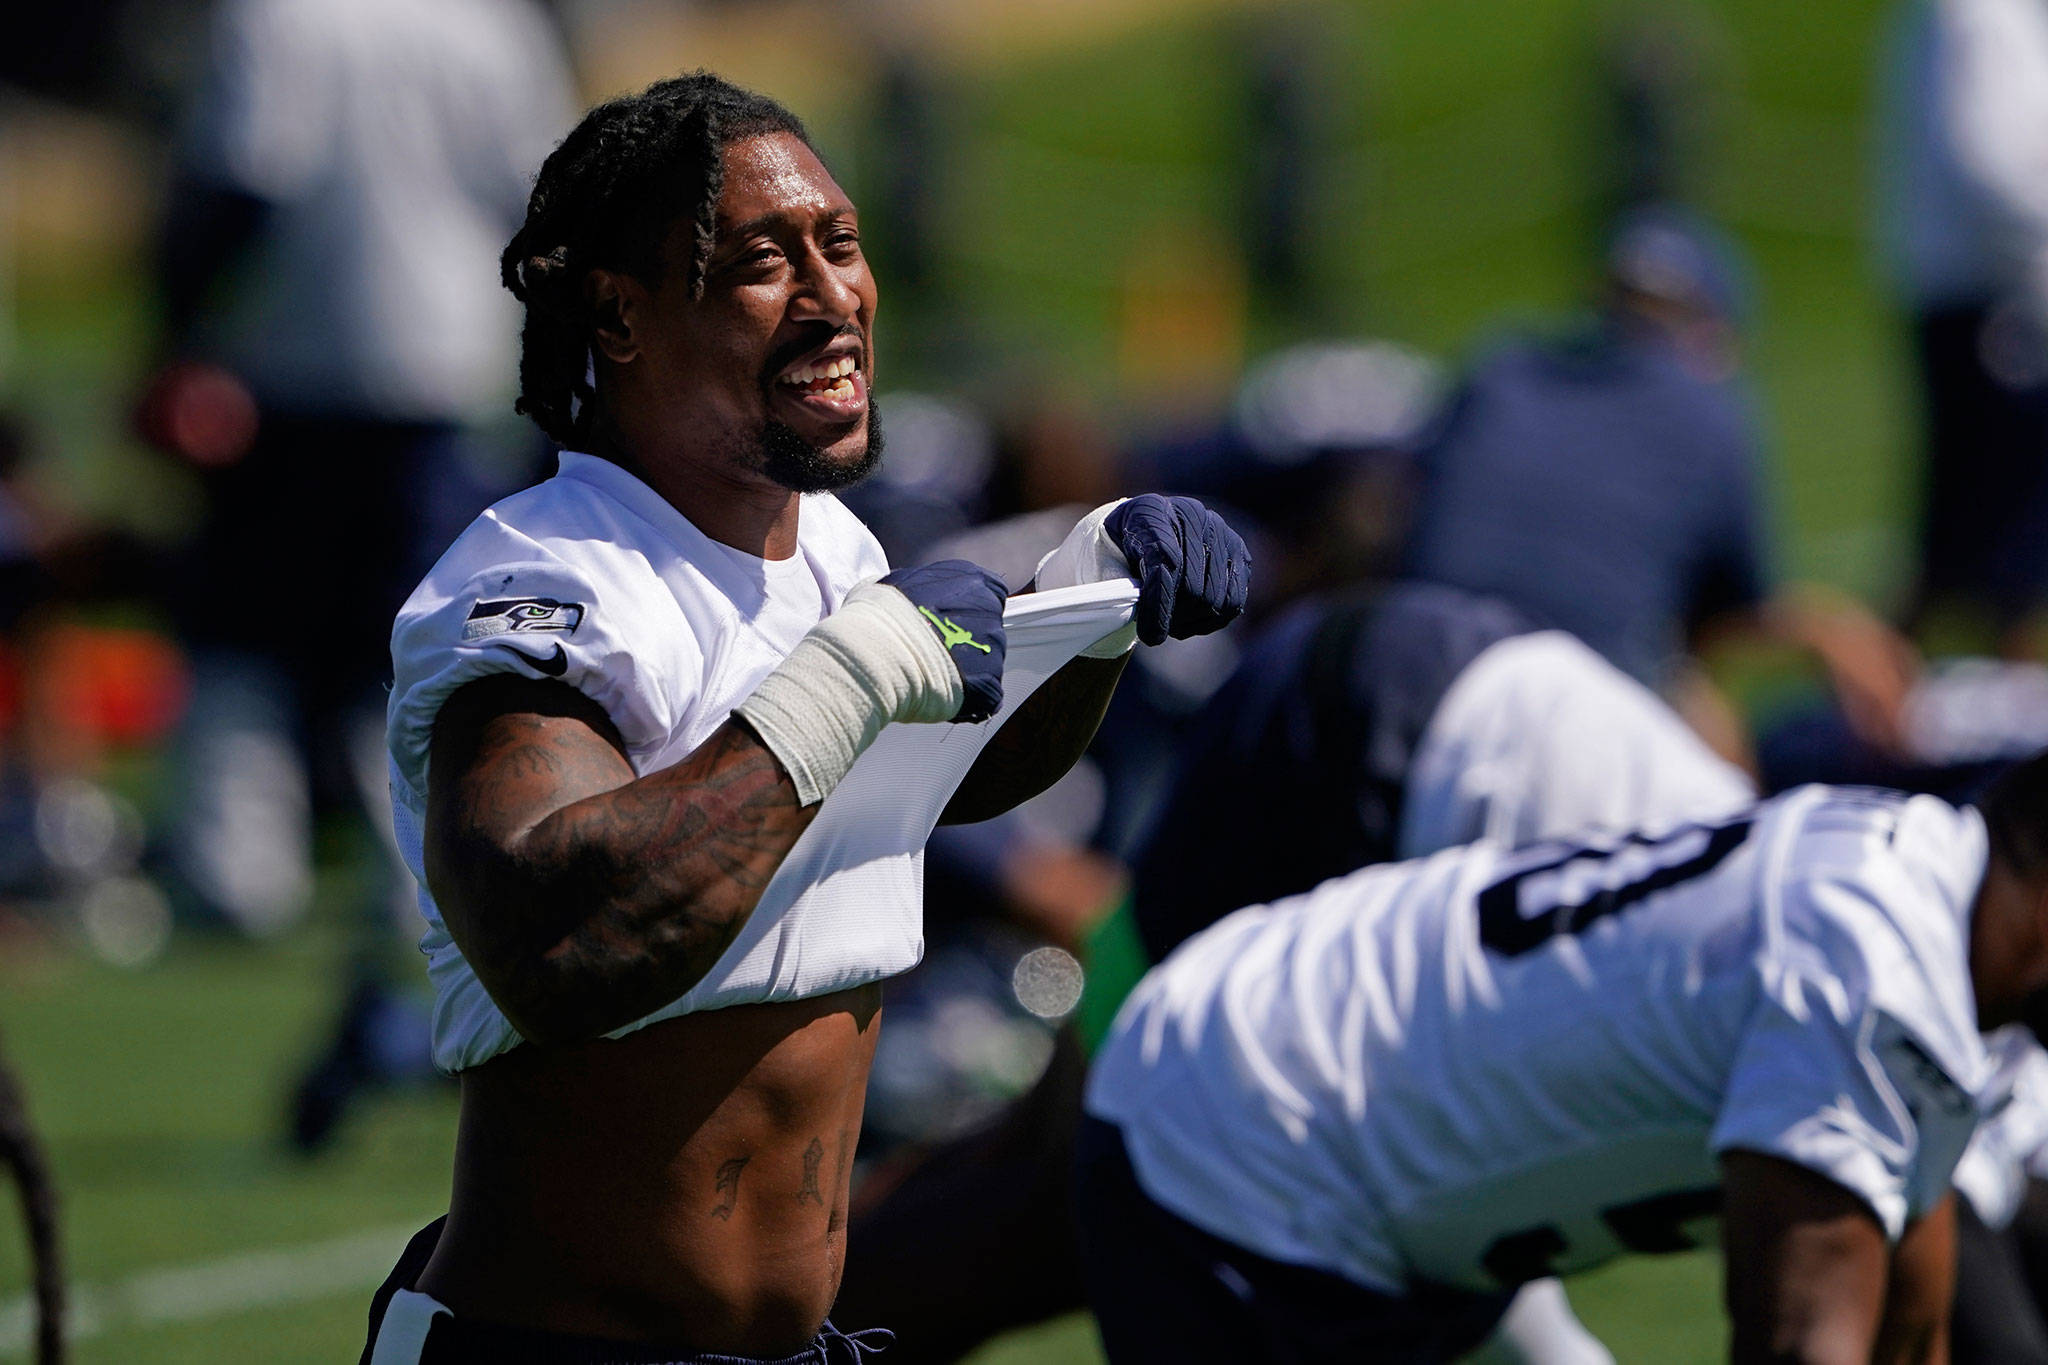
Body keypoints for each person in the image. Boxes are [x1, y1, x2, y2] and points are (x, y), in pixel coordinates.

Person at [359, 72, 1247, 1364]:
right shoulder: (542, 584)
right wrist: (852, 674)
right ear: (619, 313)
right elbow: (554, 940)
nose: (834, 297)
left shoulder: (824, 549)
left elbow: (917, 781)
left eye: (841, 242)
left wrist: (1087, 603)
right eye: (763, 263)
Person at [835, 580, 1752, 1363]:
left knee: (1108, 1188)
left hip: (1440, 699)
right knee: (1087, 1186)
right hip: (1353, 749)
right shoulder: (1826, 1047)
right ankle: (771, 1326)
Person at [1075, 748, 2048, 1362]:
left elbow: (1908, 1309)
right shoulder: (1884, 973)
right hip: (1255, 1141)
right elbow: (1804, 1343)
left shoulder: (1913, 879)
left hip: (1318, 1097)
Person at [1401, 206, 1916, 763]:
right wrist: (1827, 630)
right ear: (1717, 332)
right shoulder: (1707, 410)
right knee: (1709, 725)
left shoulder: (1498, 366)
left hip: (1407, 674)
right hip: (1566, 713)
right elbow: (1721, 621)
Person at [1879, 0, 2048, 642]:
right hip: (1989, 300)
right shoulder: (1981, 13)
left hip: (1987, 293)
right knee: (1986, 535)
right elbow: (1991, 164)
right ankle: (1879, 702)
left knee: (1973, 531)